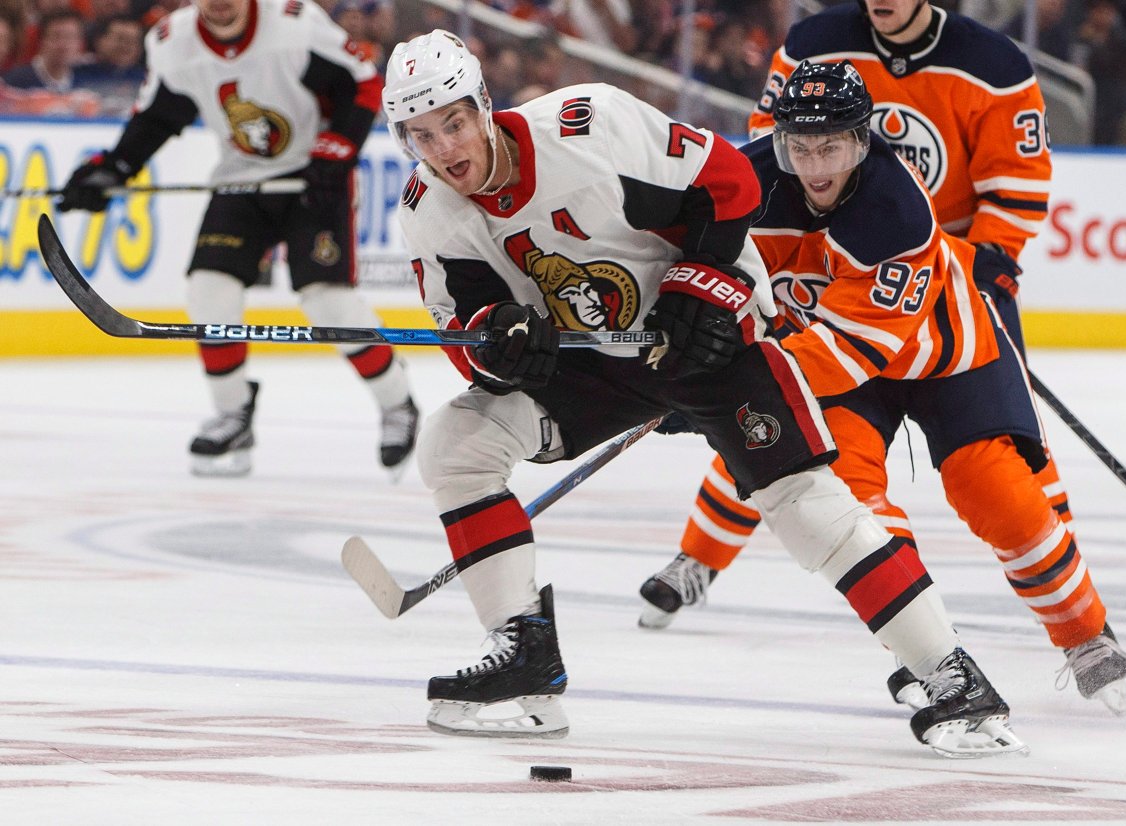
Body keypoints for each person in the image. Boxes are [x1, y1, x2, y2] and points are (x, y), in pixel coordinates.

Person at [382, 29, 1026, 757]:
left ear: (484, 105)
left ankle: (950, 673)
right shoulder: (427, 210)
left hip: (710, 328)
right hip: (596, 364)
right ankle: (524, 661)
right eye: (422, 134)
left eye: (454, 123)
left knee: (801, 501)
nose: (444, 149)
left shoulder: (589, 123)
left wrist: (708, 288)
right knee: (456, 445)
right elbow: (464, 333)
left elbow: (729, 184)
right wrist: (501, 346)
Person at [638, 6, 1126, 714]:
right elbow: (683, 250)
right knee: (849, 496)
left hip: (944, 349)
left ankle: (1083, 631)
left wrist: (725, 380)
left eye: (832, 150)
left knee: (990, 482)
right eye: (799, 148)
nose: (814, 168)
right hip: (830, 351)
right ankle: (922, 640)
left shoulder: (894, 213)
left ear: (863, 142)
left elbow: (853, 347)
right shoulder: (752, 184)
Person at [57, 0, 418, 479]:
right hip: (240, 180)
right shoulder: (172, 43)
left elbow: (363, 82)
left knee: (329, 304)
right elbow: (159, 116)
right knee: (209, 292)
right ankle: (232, 412)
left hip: (312, 177)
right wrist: (116, 167)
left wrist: (339, 149)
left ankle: (397, 403)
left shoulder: (293, 24)